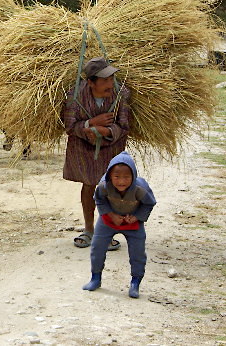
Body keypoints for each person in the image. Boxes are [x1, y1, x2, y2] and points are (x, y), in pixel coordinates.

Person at [62, 57, 131, 250]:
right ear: (90, 82)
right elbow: (70, 126)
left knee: (109, 188)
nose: (110, 84)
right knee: (89, 185)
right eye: (105, 80)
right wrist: (91, 124)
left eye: (111, 79)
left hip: (111, 147)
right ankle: (89, 230)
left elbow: (124, 127)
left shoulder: (121, 94)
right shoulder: (75, 96)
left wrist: (106, 131)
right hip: (83, 148)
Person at [82, 151, 156, 298]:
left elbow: (149, 203)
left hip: (133, 223)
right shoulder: (103, 186)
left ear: (133, 176)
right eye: (116, 177)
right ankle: (95, 278)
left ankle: (135, 282)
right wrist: (110, 214)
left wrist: (136, 217)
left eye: (126, 177)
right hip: (108, 221)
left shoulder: (140, 188)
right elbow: (99, 200)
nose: (121, 181)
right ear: (110, 176)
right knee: (97, 248)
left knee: (138, 253)